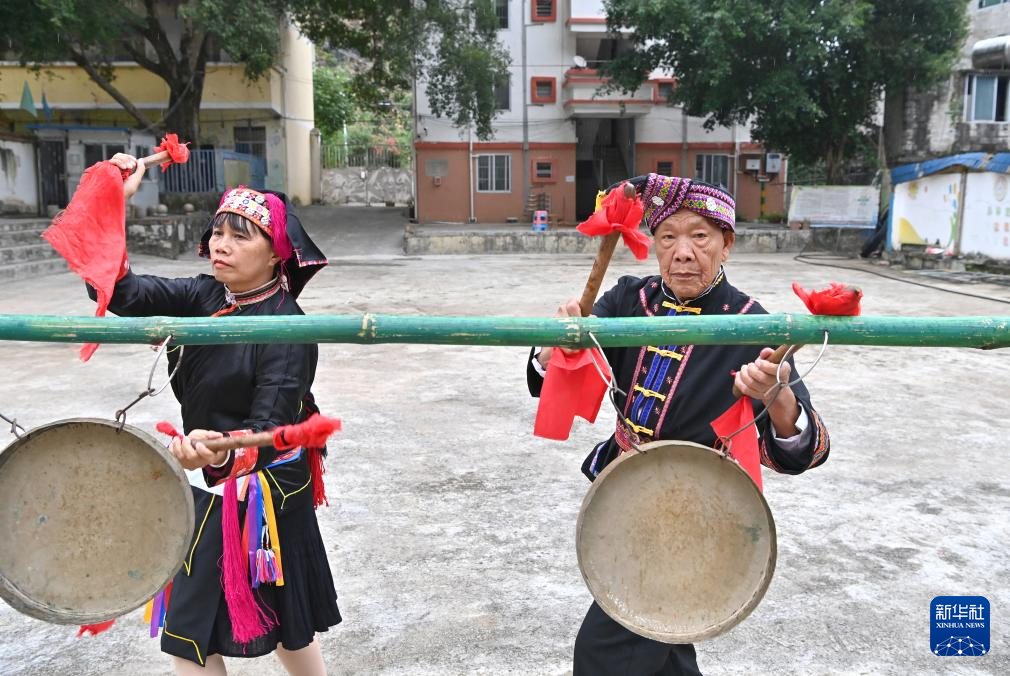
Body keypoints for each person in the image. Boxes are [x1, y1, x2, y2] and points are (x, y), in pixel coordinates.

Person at [527, 174, 831, 676]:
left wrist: (775, 393)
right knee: (662, 635)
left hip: (695, 508)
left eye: (700, 237)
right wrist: (558, 344)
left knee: (609, 648)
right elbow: (548, 380)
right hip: (626, 492)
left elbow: (804, 451)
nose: (682, 252)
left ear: (727, 245)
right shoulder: (629, 301)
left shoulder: (753, 324)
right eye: (668, 237)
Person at [90, 154, 340, 676]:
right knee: (190, 631)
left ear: (277, 255)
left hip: (269, 488)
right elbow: (121, 290)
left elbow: (266, 427)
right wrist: (115, 199)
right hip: (211, 470)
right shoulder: (204, 295)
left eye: (241, 236)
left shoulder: (287, 326)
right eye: (218, 233)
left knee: (286, 627)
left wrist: (213, 448)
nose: (221, 245)